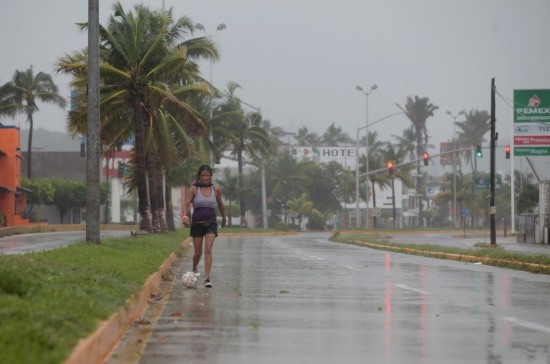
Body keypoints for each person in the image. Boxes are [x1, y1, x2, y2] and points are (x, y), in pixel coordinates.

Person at [182, 165, 226, 288]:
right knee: (197, 252)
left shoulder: (216, 189)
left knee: (208, 249)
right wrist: (185, 216)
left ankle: (207, 278)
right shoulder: (193, 189)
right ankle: (194, 268)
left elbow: (221, 204)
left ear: (211, 176)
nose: (205, 177)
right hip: (197, 225)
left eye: (207, 175)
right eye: (203, 175)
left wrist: (224, 218)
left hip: (211, 224)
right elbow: (186, 205)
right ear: (199, 176)